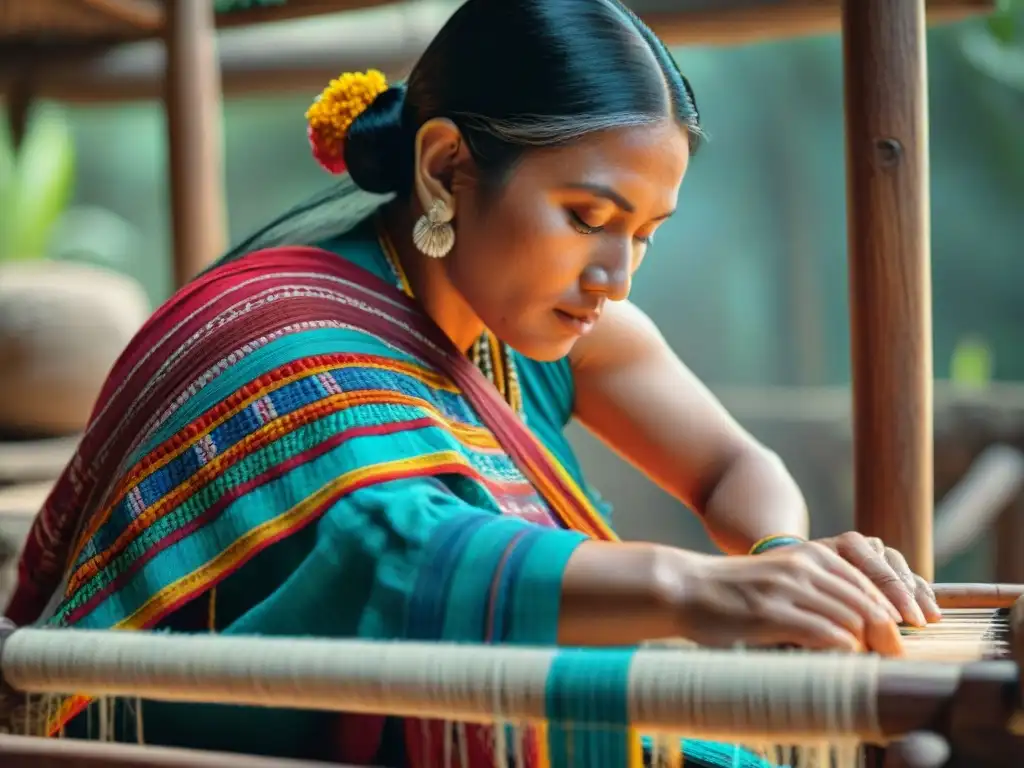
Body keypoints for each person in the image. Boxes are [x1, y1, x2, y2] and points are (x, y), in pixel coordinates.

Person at [4, 0, 940, 765]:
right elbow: (388, 552)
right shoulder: (286, 337)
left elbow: (732, 465)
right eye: (587, 215)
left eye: (644, 233)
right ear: (447, 166)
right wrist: (697, 591)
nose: (617, 274)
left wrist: (777, 553)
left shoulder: (538, 320)